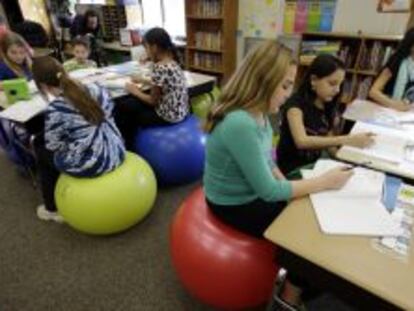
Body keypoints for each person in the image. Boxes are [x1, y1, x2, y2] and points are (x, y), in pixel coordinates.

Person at [203, 41, 353, 310]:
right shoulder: (241, 123)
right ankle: (289, 298)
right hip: (232, 202)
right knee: (302, 237)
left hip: (250, 191)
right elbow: (269, 192)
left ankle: (299, 284)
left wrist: (286, 181)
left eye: (290, 85)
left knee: (304, 213)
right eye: (285, 85)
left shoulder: (259, 114)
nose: (289, 93)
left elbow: (267, 159)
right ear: (262, 82)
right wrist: (321, 183)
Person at [31, 56, 125, 222]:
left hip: (94, 163)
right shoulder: (96, 87)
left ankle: (51, 208)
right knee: (46, 140)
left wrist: (72, 136)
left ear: (43, 86)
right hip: (117, 148)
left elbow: (54, 145)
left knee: (41, 149)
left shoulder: (56, 108)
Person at [277, 54, 375, 175]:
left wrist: (342, 159)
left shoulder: (327, 104)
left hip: (313, 166)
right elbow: (301, 141)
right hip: (292, 170)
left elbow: (328, 139)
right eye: (332, 83)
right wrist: (347, 140)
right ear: (313, 80)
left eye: (340, 84)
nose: (338, 90)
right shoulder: (295, 105)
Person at [114, 27, 188, 149]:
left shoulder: (159, 67)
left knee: (123, 106)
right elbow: (166, 82)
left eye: (146, 48)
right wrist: (143, 80)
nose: (146, 52)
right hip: (180, 112)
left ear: (154, 48)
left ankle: (128, 147)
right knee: (129, 103)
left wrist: (135, 91)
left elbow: (152, 101)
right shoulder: (173, 61)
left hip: (167, 117)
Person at [369, 27, 414, 111]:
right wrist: (394, 104)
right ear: (411, 45)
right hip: (388, 111)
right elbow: (373, 92)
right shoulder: (397, 61)